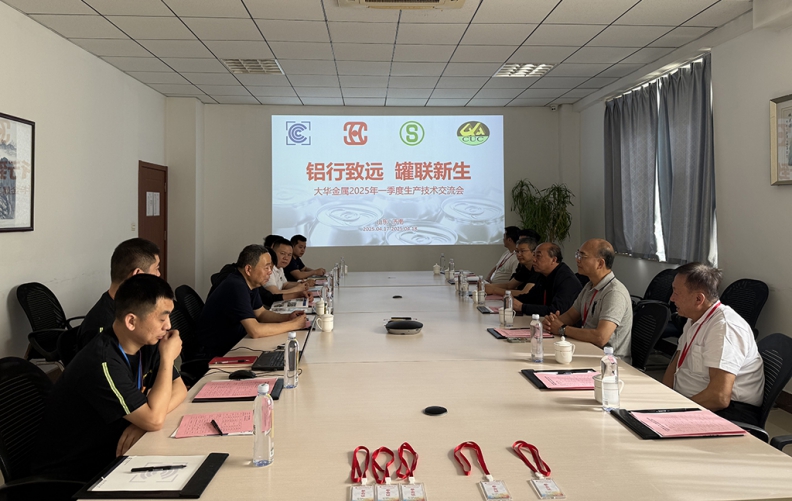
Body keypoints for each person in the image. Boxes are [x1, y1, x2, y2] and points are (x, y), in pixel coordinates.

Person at [32, 274, 187, 482]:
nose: (168, 326)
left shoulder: (148, 342)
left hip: (116, 450)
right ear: (131, 321)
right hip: (76, 473)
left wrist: (142, 421)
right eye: (162, 318)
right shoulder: (102, 362)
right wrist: (167, 359)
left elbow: (180, 389)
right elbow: (154, 420)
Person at [662, 263, 764, 425]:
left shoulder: (724, 327)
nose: (672, 298)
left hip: (727, 412)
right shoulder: (694, 318)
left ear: (698, 299)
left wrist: (673, 413)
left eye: (676, 292)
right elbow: (675, 365)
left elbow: (719, 397)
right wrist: (662, 399)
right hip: (691, 402)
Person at [188, 244, 307, 361]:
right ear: (249, 269)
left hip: (235, 343)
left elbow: (261, 313)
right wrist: (293, 325)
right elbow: (255, 331)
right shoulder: (236, 286)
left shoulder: (250, 283)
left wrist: (287, 318)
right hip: (214, 353)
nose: (270, 272)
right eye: (266, 267)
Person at [542, 239, 633, 363]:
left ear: (600, 263)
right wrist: (552, 323)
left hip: (609, 363)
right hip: (587, 350)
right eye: (577, 254)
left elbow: (600, 337)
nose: (577, 260)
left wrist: (562, 329)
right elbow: (570, 316)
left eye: (582, 256)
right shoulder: (590, 286)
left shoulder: (614, 293)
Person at [78, 238, 161, 348]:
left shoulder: (129, 308)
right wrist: (167, 356)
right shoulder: (104, 329)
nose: (158, 274)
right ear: (138, 275)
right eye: (156, 268)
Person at [512, 242, 581, 316]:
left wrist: (522, 307)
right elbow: (530, 298)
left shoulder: (567, 280)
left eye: (538, 256)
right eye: (534, 255)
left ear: (553, 260)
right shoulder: (543, 275)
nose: (534, 259)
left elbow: (556, 311)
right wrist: (510, 300)